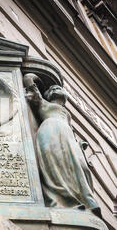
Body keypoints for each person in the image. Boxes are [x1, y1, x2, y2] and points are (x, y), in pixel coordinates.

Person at [24, 73, 101, 217]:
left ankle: (84, 200)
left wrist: (80, 144)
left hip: (68, 137)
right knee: (57, 164)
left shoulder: (67, 114)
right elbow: (28, 80)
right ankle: (64, 200)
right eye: (51, 89)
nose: (54, 89)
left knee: (80, 168)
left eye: (57, 88)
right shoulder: (43, 103)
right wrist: (35, 78)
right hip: (51, 131)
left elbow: (70, 128)